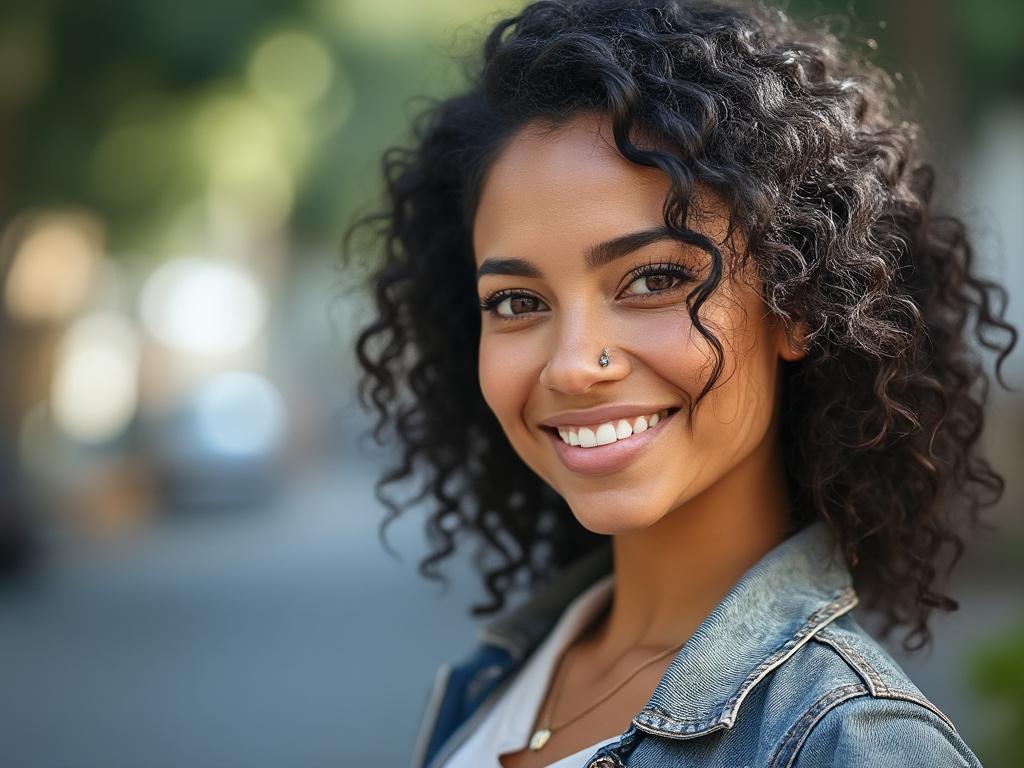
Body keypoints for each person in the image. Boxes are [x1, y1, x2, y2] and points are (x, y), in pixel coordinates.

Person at [343, 0, 1018, 765]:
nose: (570, 363)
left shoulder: (848, 741)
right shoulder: (501, 677)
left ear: (795, 303)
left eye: (655, 279)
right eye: (517, 302)